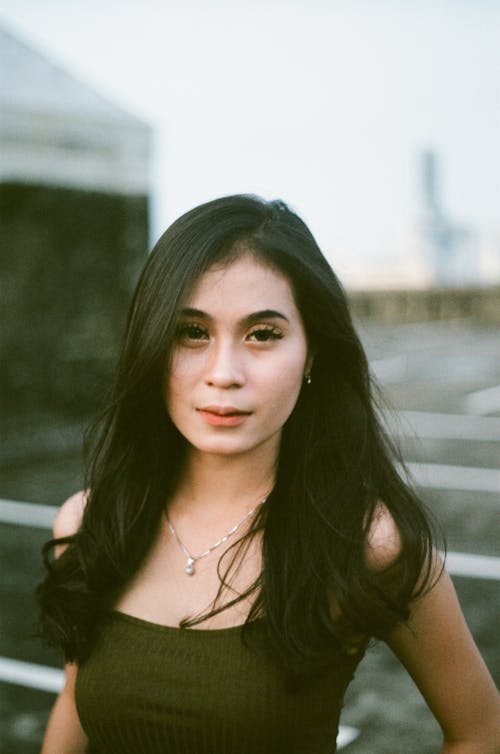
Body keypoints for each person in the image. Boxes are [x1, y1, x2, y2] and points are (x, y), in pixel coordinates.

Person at [37, 194, 500, 753]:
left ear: (312, 354)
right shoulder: (88, 525)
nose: (224, 374)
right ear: (152, 344)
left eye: (262, 334)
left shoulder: (365, 543)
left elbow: (480, 732)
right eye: (191, 332)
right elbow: (74, 707)